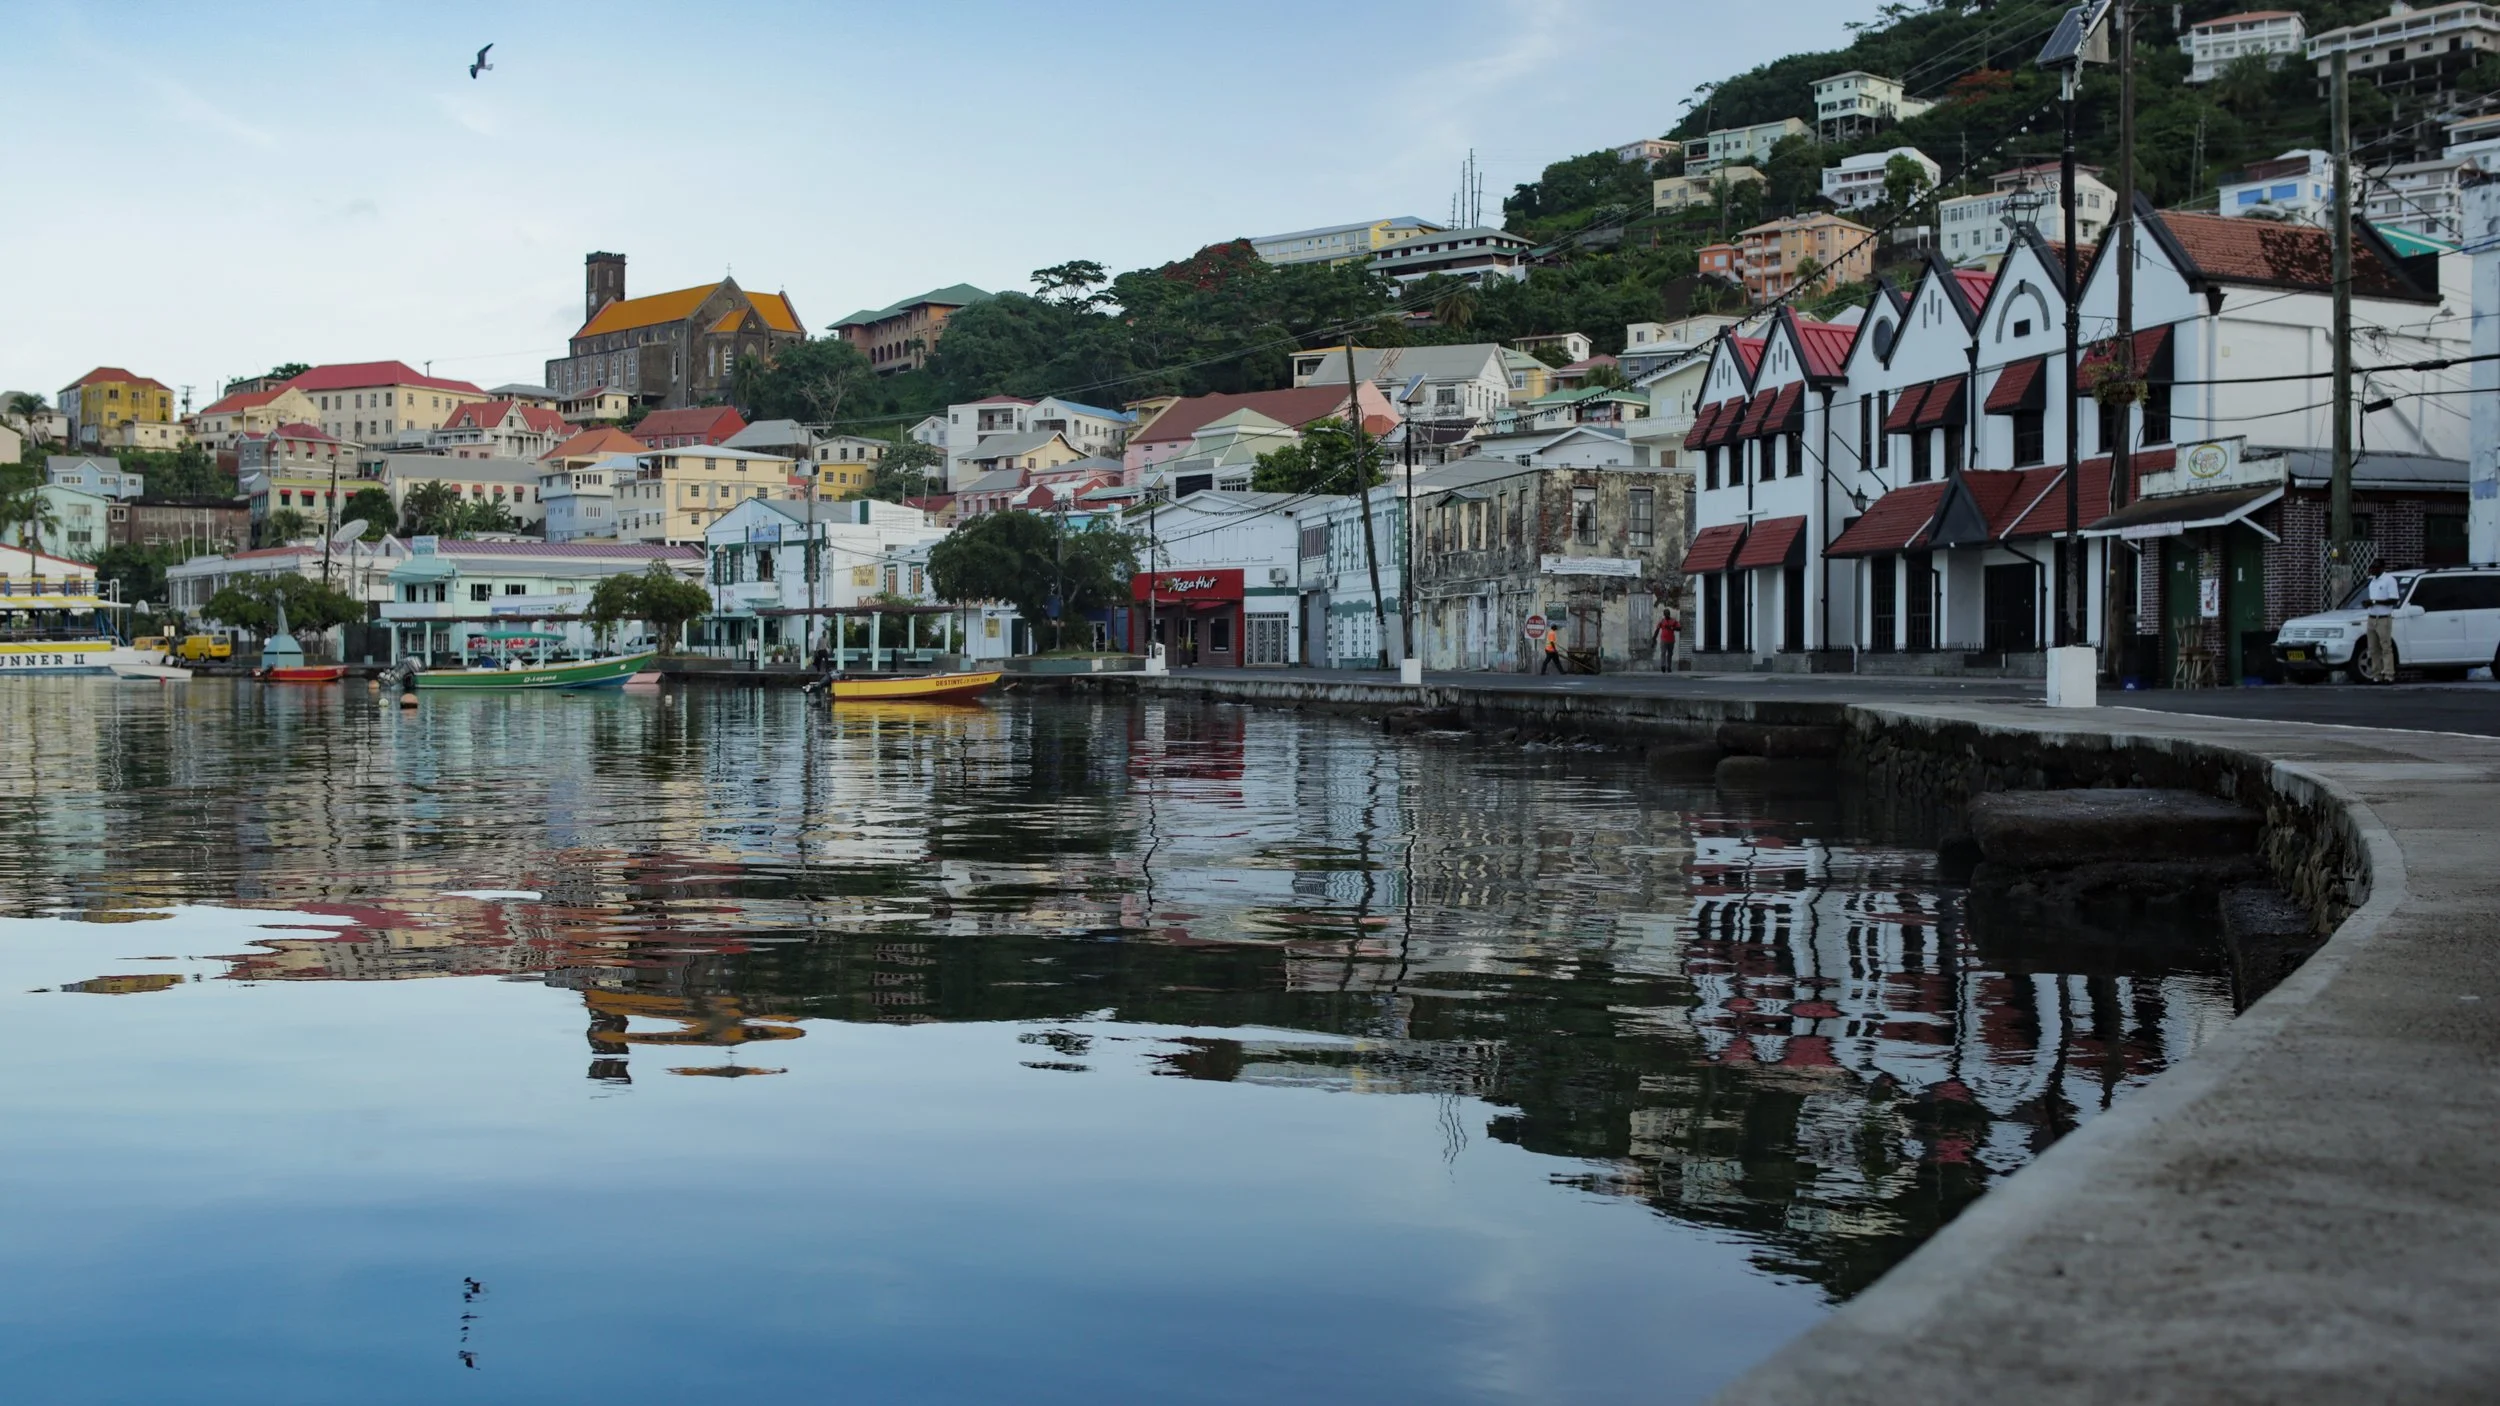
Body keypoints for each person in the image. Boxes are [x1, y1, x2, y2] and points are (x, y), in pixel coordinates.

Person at [2363, 570, 2401, 683]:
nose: (2372, 568)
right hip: (2372, 617)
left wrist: (2374, 602)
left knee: (2386, 647)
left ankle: (2389, 674)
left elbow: (2394, 600)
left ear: (2381, 567)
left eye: (2375, 566)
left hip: (2383, 618)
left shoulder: (2389, 580)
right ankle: (2376, 675)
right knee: (2373, 648)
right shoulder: (2372, 581)